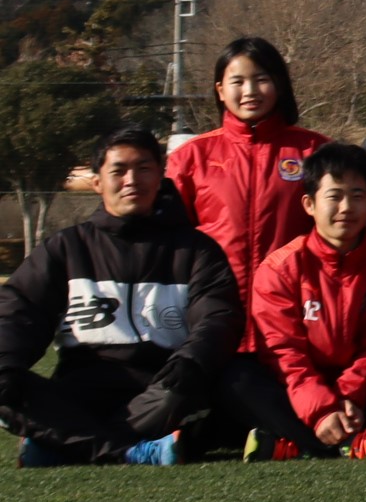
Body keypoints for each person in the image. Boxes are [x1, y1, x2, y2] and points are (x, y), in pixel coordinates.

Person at [0, 126, 238, 467]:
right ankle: (132, 451)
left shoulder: (197, 250)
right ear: (97, 182)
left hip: (160, 389)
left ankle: (62, 444)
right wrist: (6, 362)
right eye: (119, 170)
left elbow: (218, 316)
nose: (132, 180)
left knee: (189, 392)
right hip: (79, 390)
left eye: (143, 168)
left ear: (160, 176)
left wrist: (193, 359)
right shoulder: (66, 247)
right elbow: (17, 310)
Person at [225, 141, 366, 461]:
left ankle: (294, 444)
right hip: (300, 390)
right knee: (235, 374)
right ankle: (352, 444)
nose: (346, 207)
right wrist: (320, 410)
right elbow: (284, 354)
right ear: (309, 204)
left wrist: (348, 397)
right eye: (335, 196)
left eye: (357, 196)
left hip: (362, 393)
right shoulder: (279, 268)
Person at [169, 36, 327, 359]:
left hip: (295, 318)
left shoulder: (316, 151)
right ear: (220, 89)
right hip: (213, 321)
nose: (250, 91)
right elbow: (171, 241)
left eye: (261, 79)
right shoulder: (190, 157)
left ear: (279, 84)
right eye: (238, 81)